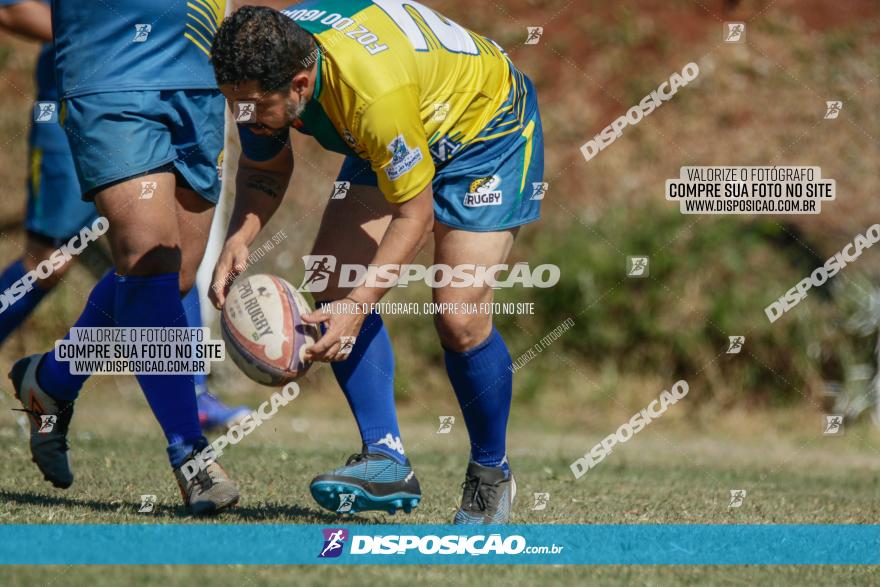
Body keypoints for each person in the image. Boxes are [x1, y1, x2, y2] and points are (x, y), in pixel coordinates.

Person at [210, 2, 544, 524]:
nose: (243, 116)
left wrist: (357, 306)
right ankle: (385, 458)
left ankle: (490, 474)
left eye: (252, 106)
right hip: (409, 120)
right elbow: (264, 163)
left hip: (487, 128)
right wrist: (240, 236)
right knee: (330, 276)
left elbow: (414, 215)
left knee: (458, 316)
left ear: (301, 84)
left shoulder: (370, 97)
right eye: (234, 104)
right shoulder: (262, 67)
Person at [9, 0, 239, 515]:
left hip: (201, 74)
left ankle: (50, 380)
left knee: (175, 273)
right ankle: (191, 454)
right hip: (110, 70)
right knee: (149, 258)